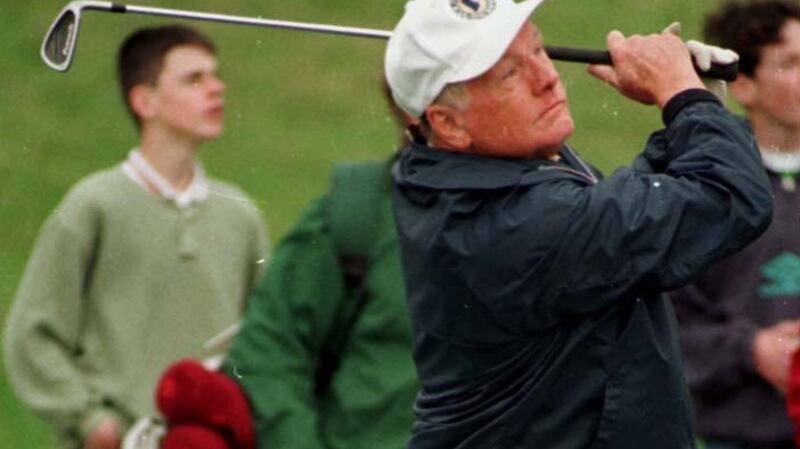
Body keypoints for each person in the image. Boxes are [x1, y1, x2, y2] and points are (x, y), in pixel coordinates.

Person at [385, 0, 773, 448]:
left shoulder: (477, 172)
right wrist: (687, 100)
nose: (546, 77)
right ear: (448, 124)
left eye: (537, 50)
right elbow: (731, 197)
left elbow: (621, 218)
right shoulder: (517, 225)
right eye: (510, 74)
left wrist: (694, 114)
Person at [3, 24, 268, 449]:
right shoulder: (93, 206)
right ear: (144, 100)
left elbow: (264, 340)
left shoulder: (240, 213)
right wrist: (91, 422)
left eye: (214, 75)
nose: (216, 89)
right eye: (194, 79)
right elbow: (32, 336)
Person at [221, 81, 419, 449]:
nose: (547, 79)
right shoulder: (359, 214)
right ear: (429, 112)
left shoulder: (557, 206)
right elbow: (267, 354)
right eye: (507, 74)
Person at [669, 1, 800, 448]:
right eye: (792, 64)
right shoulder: (702, 189)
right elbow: (668, 320)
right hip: (740, 437)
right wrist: (751, 350)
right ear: (742, 84)